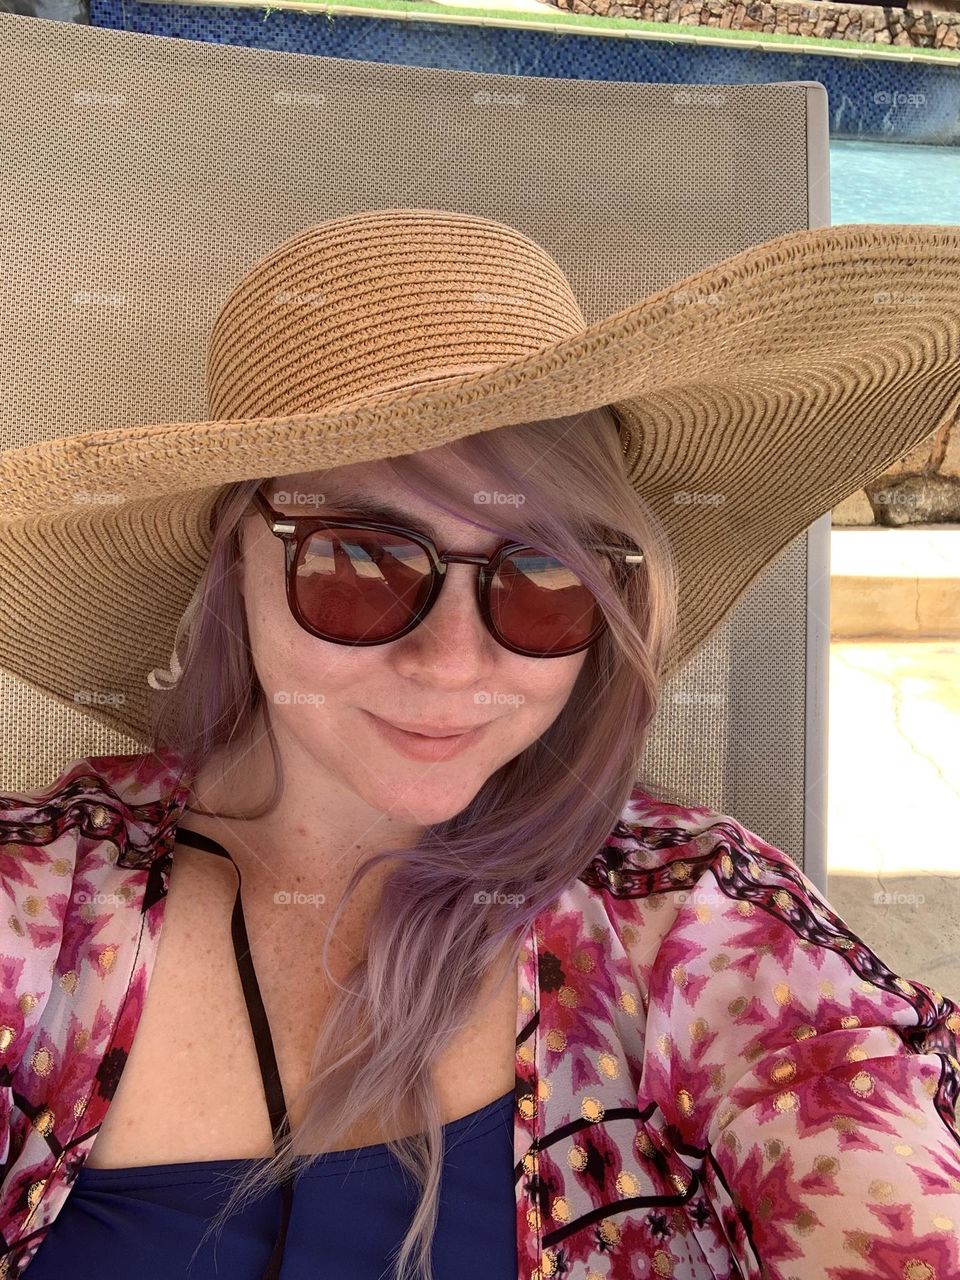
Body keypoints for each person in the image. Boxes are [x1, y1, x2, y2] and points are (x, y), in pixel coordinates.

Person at [1, 208, 959, 1280]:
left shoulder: (696, 916)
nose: (454, 664)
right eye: (359, 560)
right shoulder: (34, 897)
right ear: (234, 569)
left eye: (549, 576)